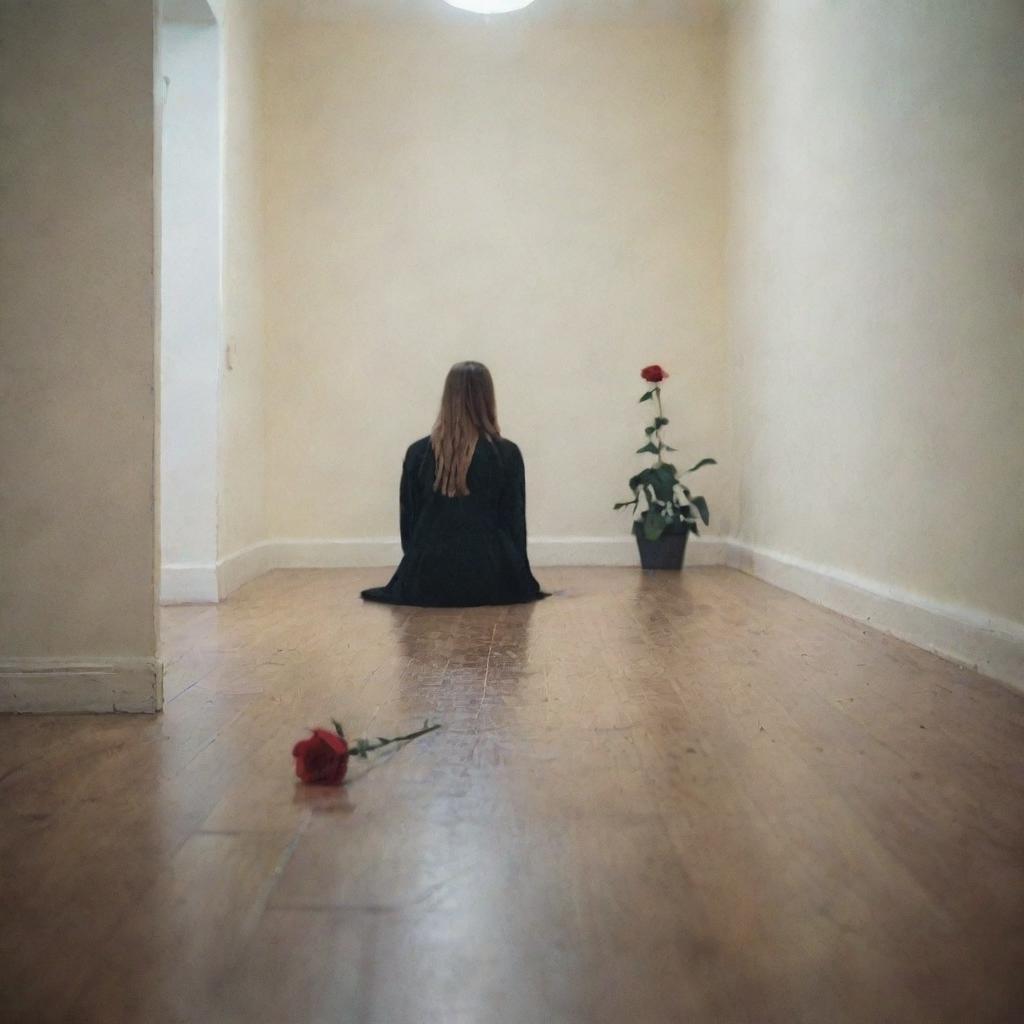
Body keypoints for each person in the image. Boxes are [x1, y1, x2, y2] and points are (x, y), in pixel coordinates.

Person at [361, 361, 547, 608]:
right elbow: (514, 522)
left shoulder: (418, 453)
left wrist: (417, 565)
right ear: (488, 398)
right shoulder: (507, 453)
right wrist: (519, 579)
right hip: (492, 579)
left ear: (447, 397)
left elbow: (409, 523)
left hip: (428, 578)